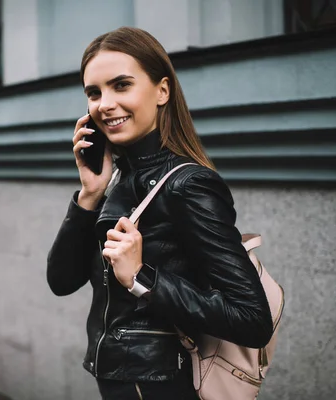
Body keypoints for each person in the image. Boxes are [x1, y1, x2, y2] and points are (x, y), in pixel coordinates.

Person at [47, 26, 273, 400]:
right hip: (119, 382)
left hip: (162, 386)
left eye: (121, 85)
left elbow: (252, 319)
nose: (104, 104)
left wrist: (141, 276)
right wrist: (89, 194)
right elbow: (61, 280)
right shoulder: (118, 177)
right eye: (94, 92)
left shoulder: (188, 185)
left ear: (162, 91)